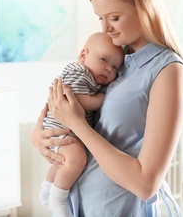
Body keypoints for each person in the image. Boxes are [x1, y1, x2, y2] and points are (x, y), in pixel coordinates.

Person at [31, 0, 183, 216]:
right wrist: (41, 137)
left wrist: (78, 125)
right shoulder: (115, 63)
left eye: (115, 18)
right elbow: (83, 115)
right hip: (79, 206)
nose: (105, 28)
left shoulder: (168, 71)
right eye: (101, 18)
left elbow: (146, 185)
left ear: (145, 7)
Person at [40, 32, 124, 216]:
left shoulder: (92, 80)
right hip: (61, 129)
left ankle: (46, 190)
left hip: (67, 130)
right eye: (103, 60)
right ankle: (58, 198)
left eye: (115, 67)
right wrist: (100, 99)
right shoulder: (79, 72)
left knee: (63, 163)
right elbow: (76, 100)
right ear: (84, 55)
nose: (109, 69)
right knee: (76, 158)